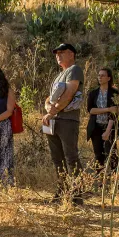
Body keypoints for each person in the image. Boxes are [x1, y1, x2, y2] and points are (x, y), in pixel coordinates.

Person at [44, 43, 84, 204]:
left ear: (71, 54)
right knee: (57, 158)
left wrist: (52, 111)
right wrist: (48, 109)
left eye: (62, 52)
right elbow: (49, 99)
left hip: (68, 120)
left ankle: (77, 196)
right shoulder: (58, 75)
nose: (58, 55)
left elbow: (69, 94)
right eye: (56, 53)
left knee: (71, 157)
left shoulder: (75, 70)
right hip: (53, 121)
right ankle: (62, 192)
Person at [86, 68, 119, 173]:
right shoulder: (93, 93)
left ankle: (117, 183)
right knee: (98, 156)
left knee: (112, 154)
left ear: (108, 78)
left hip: (109, 127)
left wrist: (107, 131)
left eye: (103, 75)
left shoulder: (114, 93)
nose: (100, 77)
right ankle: (101, 182)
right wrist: (107, 109)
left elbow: (114, 112)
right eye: (99, 75)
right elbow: (91, 110)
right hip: (95, 127)